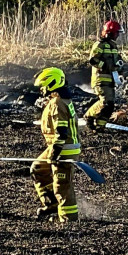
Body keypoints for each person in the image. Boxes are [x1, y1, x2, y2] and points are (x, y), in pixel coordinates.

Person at [31, 68, 81, 223]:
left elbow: (61, 130)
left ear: (51, 83)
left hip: (63, 149)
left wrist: (56, 152)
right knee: (38, 168)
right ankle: (52, 204)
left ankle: (68, 220)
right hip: (57, 146)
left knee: (62, 186)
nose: (41, 89)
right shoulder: (59, 100)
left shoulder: (57, 104)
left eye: (43, 86)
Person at [84, 19, 125, 131]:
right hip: (100, 80)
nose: (117, 35)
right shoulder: (100, 45)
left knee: (110, 105)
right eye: (116, 33)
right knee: (105, 102)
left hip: (111, 80)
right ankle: (89, 115)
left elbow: (117, 62)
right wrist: (106, 66)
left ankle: (100, 126)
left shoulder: (113, 47)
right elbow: (93, 60)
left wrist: (121, 72)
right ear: (110, 33)